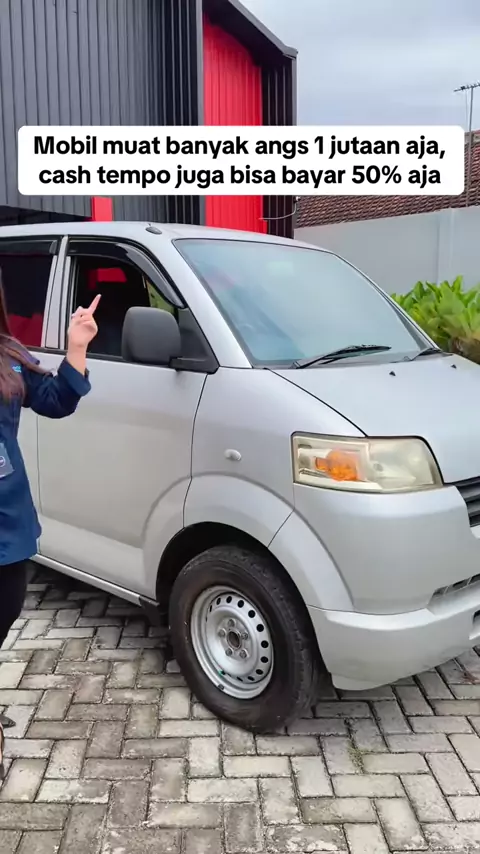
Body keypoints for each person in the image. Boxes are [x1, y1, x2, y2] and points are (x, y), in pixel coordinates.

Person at [0, 281, 100, 779]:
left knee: (5, 614)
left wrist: (76, 346)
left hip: (7, 523)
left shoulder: (9, 356)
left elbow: (57, 399)